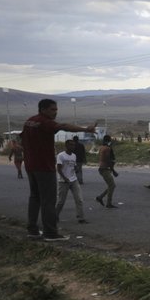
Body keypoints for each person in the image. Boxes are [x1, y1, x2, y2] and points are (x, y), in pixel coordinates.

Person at [21, 99, 96, 240]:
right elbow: (64, 126)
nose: (55, 112)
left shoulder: (29, 121)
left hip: (31, 166)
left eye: (56, 110)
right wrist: (86, 129)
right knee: (48, 200)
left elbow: (23, 140)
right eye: (52, 110)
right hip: (44, 166)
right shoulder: (45, 122)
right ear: (43, 109)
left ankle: (32, 230)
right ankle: (50, 232)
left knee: (35, 197)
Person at [55, 140, 87, 224]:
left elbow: (74, 166)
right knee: (61, 201)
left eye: (74, 145)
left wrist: (76, 169)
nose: (73, 147)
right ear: (66, 146)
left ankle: (81, 218)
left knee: (79, 199)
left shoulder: (74, 156)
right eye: (71, 145)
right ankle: (55, 216)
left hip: (73, 180)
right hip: (63, 181)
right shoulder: (61, 155)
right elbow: (58, 169)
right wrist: (65, 179)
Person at [94, 135, 118, 209]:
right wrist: (113, 170)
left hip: (102, 168)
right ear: (109, 140)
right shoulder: (107, 148)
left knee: (111, 186)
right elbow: (107, 159)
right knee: (112, 185)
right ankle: (108, 203)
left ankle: (100, 197)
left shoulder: (102, 147)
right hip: (105, 169)